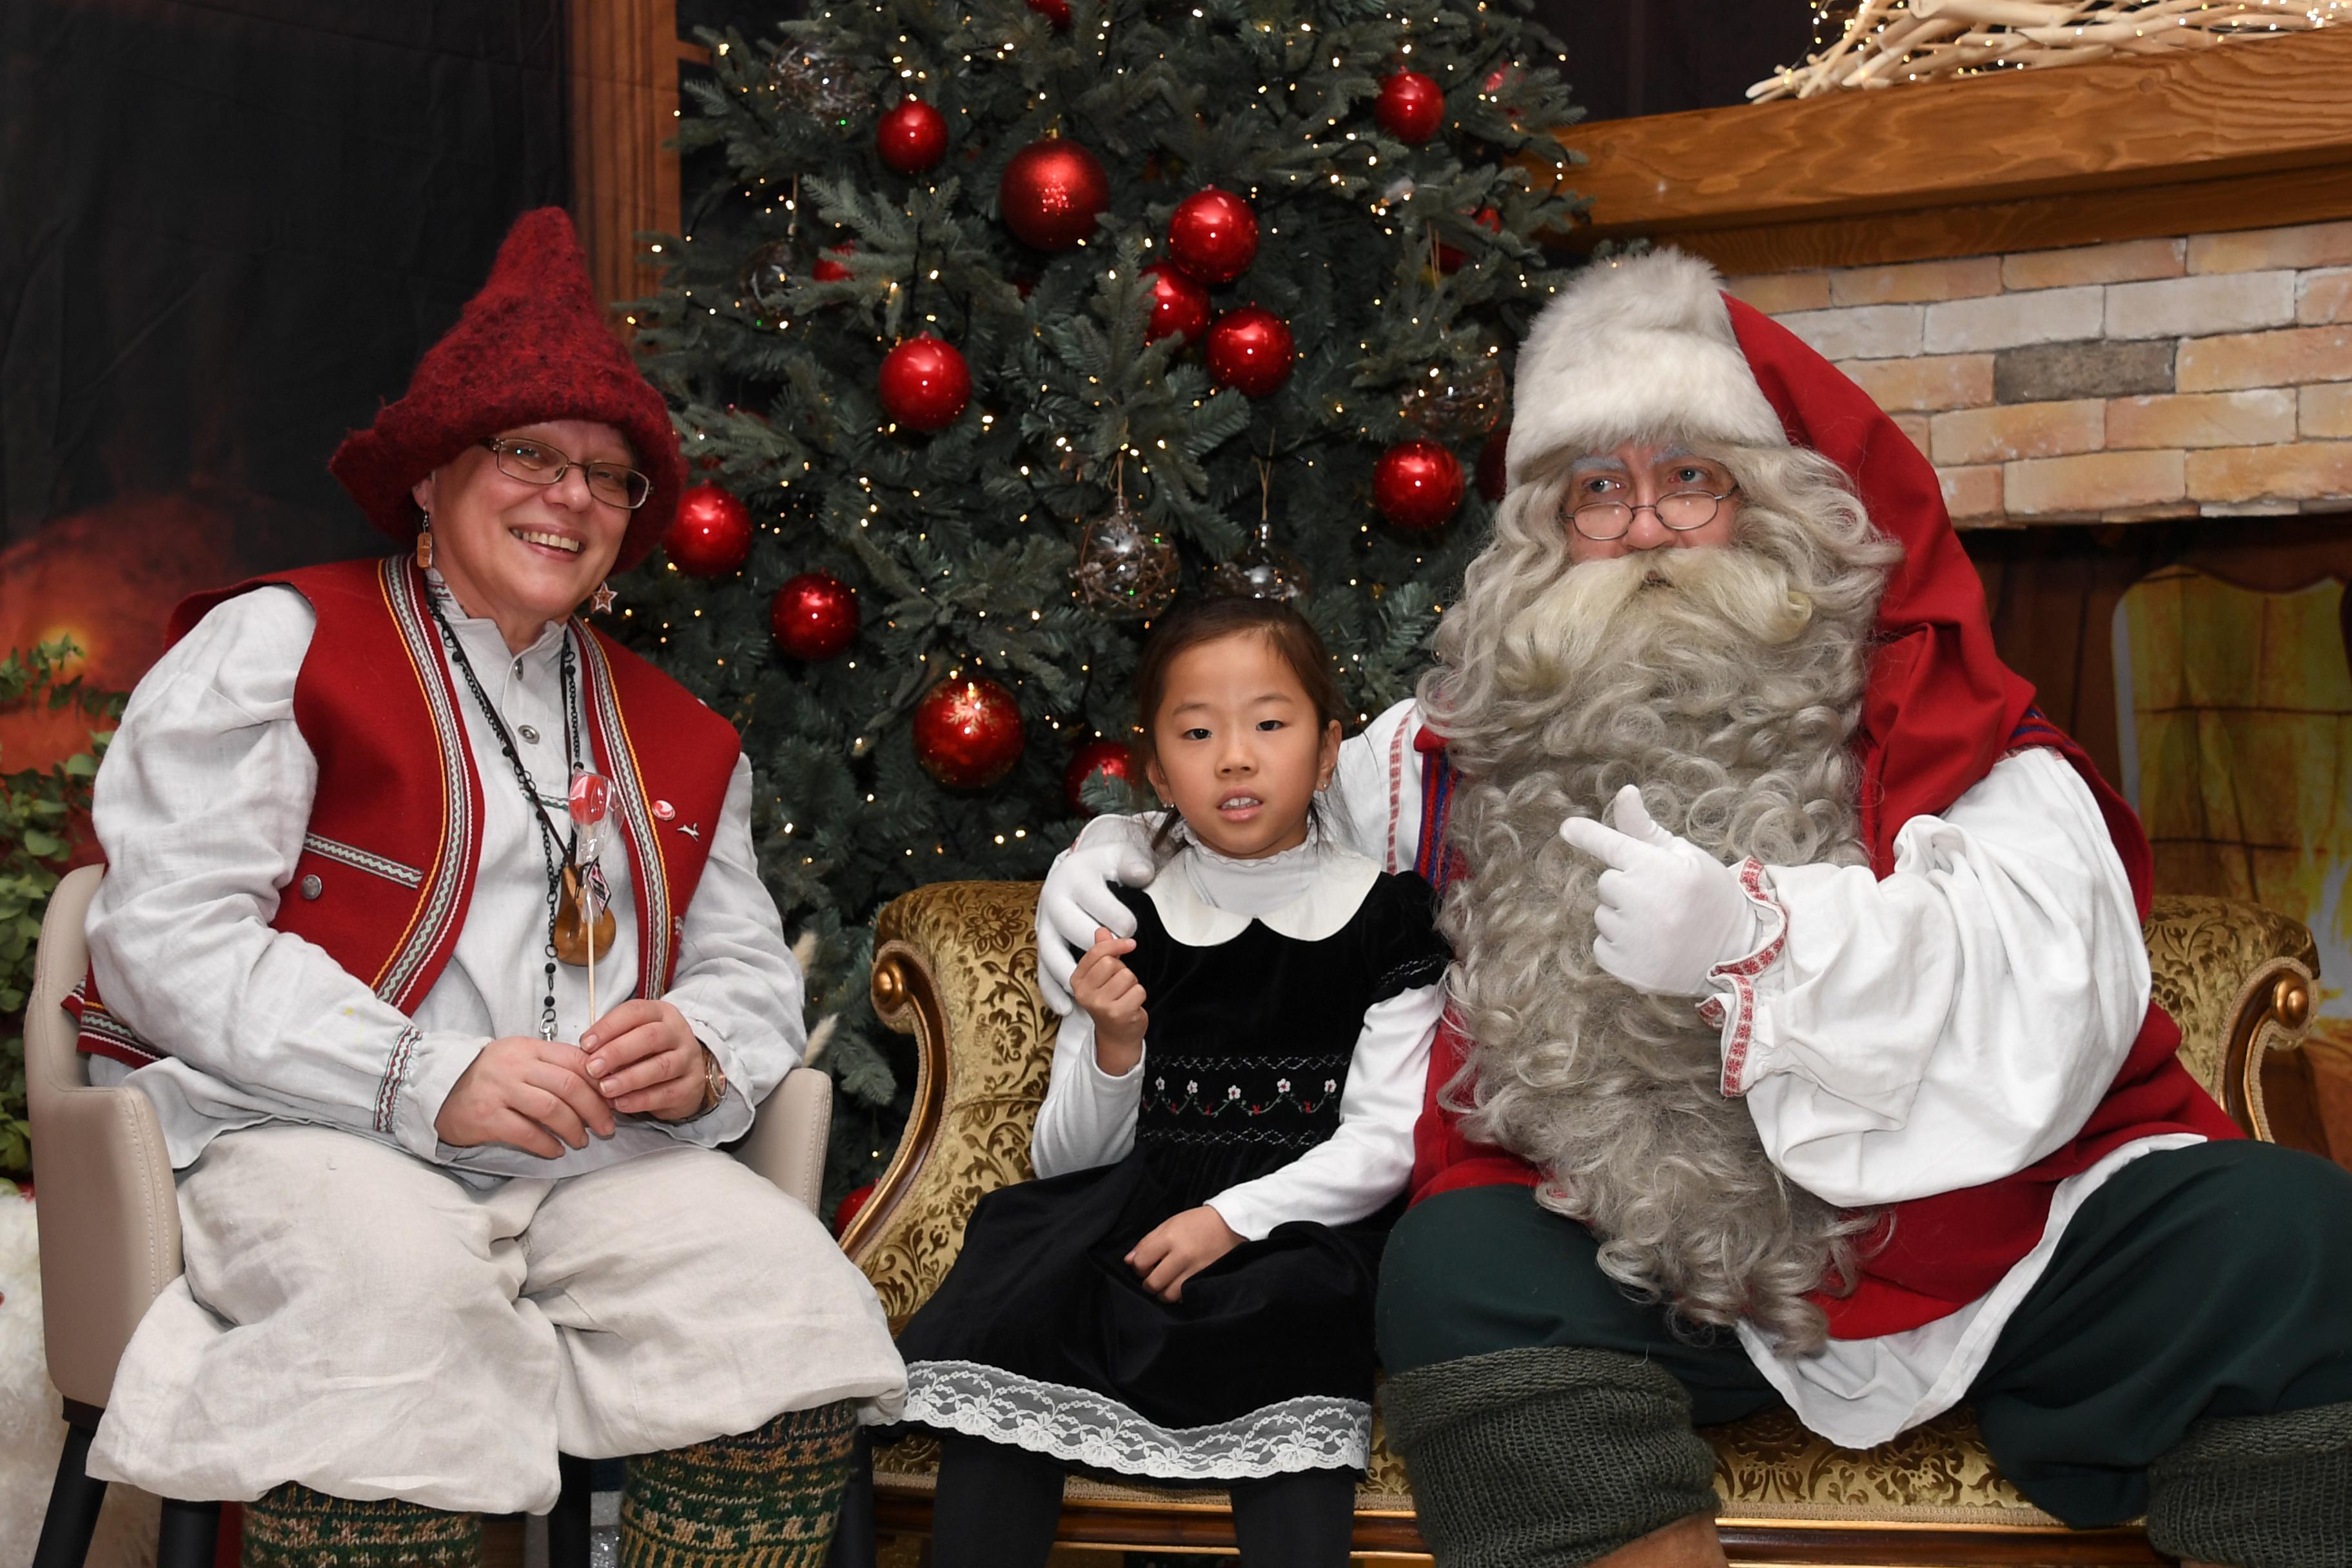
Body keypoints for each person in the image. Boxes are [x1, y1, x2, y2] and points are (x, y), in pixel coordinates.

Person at [1035, 249, 2352, 1568]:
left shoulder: (1949, 729)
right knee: (1457, 1269)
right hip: (1647, 1264)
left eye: (1692, 480)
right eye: (1600, 491)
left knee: (2291, 1240)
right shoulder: (1449, 752)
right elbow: (1263, 795)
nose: (1647, 524)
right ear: (1548, 535)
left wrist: (1756, 945)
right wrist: (1120, 855)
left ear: (1776, 508)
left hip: (1995, 1246)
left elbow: (2050, 995)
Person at [67, 208, 905, 1567]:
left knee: (784, 1309)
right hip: (300, 1131)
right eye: (530, 454)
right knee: (395, 1314)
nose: (570, 497)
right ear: (432, 477)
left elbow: (748, 971)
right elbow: (167, 935)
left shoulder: (685, 736)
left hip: (590, 1160)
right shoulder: (276, 645)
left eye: (611, 476)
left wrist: (702, 1049)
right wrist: (418, 1074)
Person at [896, 596, 1450, 1565]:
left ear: (1326, 753)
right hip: (1135, 1209)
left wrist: (1229, 1220)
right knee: (1020, 1297)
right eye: (1198, 732)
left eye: (1270, 725)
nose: (1235, 757)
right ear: (1157, 769)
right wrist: (1115, 1042)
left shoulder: (1389, 919)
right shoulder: (1129, 913)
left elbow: (1384, 1142)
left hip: (1299, 1224)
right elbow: (1065, 1157)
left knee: (1292, 1319)